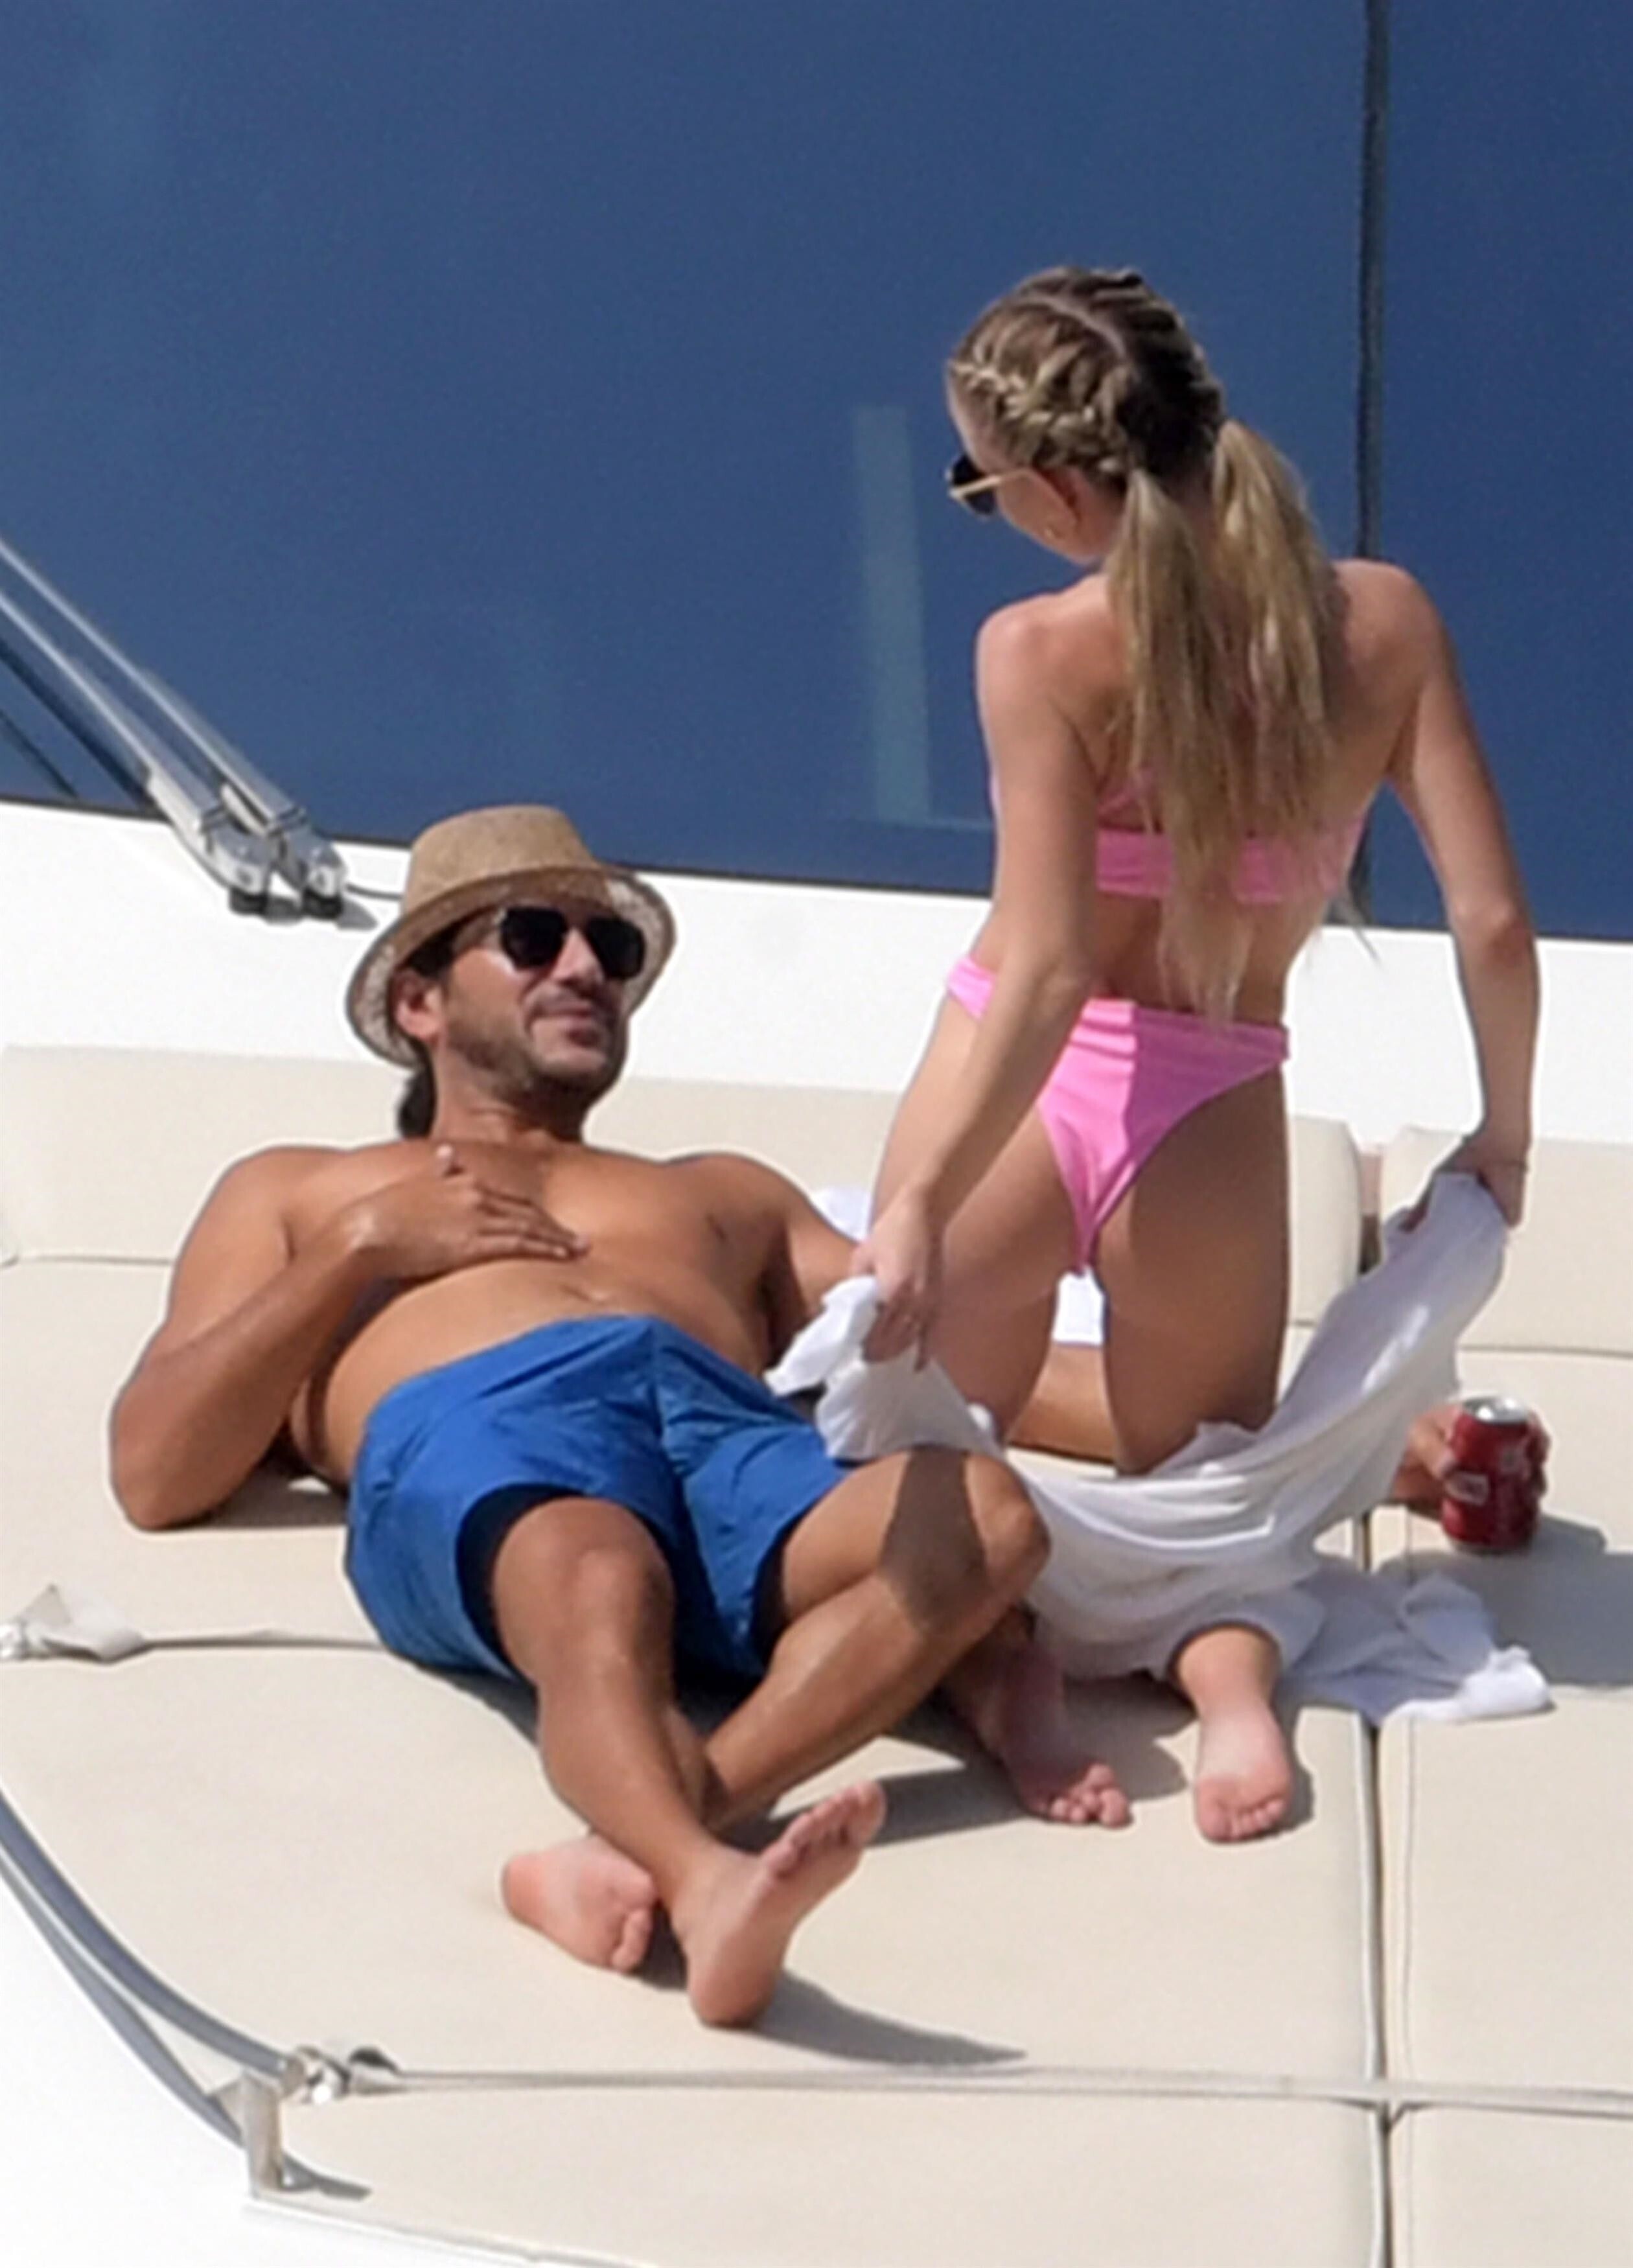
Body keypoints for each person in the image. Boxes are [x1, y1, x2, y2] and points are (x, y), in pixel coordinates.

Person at [109, 805, 1125, 2032]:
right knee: (598, 1573)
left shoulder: (724, 1196)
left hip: (725, 1435)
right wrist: (358, 1251)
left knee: (988, 1515)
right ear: (421, 1003)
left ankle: (655, 1839)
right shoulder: (303, 1191)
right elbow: (154, 1468)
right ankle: (705, 1884)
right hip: (497, 1425)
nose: (587, 967)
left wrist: (1284, 1447)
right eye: (534, 937)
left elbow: (946, 1353)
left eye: (613, 947)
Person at [859, 266, 1540, 1842]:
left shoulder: (1039, 652)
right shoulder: (1381, 624)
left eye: (979, 486)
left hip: (1015, 1095)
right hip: (1212, 1105)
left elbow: (1043, 973)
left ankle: (1006, 1675)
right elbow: (1495, 923)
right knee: (1205, 1512)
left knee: (925, 1470)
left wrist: (922, 1205)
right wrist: (1501, 1139)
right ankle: (1233, 1699)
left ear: (1050, 490)